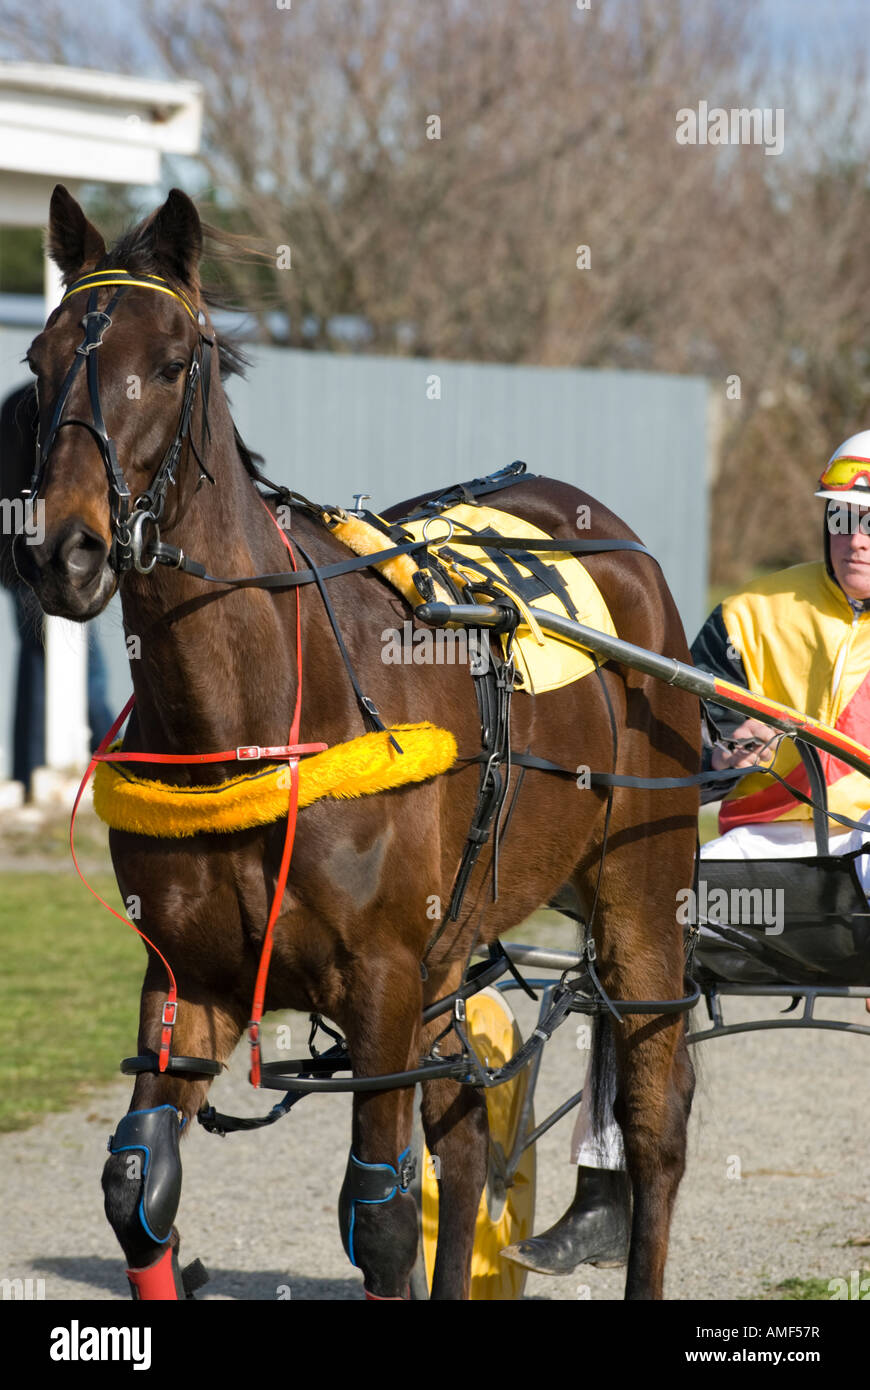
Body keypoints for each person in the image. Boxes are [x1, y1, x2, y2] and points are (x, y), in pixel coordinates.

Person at [502, 431, 870, 1276]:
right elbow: (666, 767)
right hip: (764, 867)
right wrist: (713, 758)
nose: (855, 535)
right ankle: (604, 1196)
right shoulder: (748, 618)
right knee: (624, 942)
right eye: (844, 517)